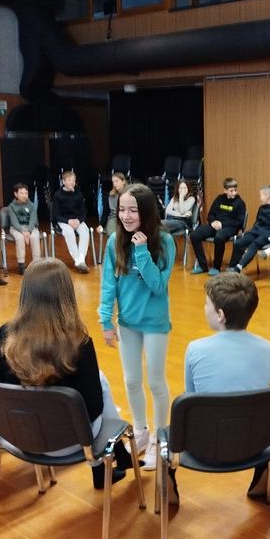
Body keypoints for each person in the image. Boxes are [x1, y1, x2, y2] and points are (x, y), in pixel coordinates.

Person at [0, 259, 133, 489]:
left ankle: (116, 456)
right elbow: (93, 408)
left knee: (93, 383)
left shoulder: (3, 337)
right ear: (66, 295)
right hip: (71, 442)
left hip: (18, 436)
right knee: (100, 381)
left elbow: (1, 389)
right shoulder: (79, 344)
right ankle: (109, 459)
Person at [98, 183, 176, 471]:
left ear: (146, 212)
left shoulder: (165, 242)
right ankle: (141, 430)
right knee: (131, 380)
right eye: (122, 210)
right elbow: (108, 284)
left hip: (155, 323)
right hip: (127, 322)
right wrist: (106, 321)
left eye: (133, 210)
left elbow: (158, 285)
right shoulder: (114, 241)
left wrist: (141, 251)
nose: (126, 216)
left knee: (155, 381)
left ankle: (159, 437)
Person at [183, 271, 270, 500]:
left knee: (168, 433)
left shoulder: (195, 349)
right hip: (256, 444)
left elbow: (190, 401)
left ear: (221, 315)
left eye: (207, 304)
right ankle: (263, 478)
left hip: (205, 447)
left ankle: (169, 488)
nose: (204, 308)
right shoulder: (268, 349)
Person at [190, 177, 247, 275]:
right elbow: (210, 214)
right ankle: (203, 266)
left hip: (230, 227)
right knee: (194, 235)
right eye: (231, 191)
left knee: (219, 237)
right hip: (215, 225)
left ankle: (216, 267)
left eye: (235, 190)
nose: (234, 193)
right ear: (225, 190)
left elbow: (239, 222)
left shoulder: (240, 203)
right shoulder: (219, 199)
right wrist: (213, 222)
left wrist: (222, 224)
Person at [228, 185, 270, 273]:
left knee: (255, 244)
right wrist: (248, 233)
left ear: (267, 196)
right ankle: (233, 267)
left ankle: (239, 267)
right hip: (257, 232)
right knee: (239, 242)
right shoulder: (261, 208)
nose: (260, 198)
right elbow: (257, 223)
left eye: (261, 196)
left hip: (269, 234)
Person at [51, 170, 91, 273]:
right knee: (69, 233)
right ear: (63, 181)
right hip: (64, 220)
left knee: (85, 231)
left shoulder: (78, 194)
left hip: (77, 219)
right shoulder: (58, 195)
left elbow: (83, 211)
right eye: (69, 180)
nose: (72, 182)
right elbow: (56, 214)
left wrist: (79, 220)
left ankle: (81, 258)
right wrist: (68, 221)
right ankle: (77, 260)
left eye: (73, 180)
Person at [6, 183, 41, 275]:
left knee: (34, 237)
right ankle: (21, 265)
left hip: (30, 227)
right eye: (21, 193)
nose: (24, 195)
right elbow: (14, 221)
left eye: (26, 193)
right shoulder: (11, 206)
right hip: (16, 228)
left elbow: (33, 219)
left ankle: (37, 264)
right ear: (16, 194)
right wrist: (22, 231)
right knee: (20, 238)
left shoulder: (32, 205)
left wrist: (29, 231)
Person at [97, 171, 128, 240]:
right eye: (113, 182)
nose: (114, 184)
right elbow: (106, 211)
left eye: (116, 181)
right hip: (114, 217)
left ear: (123, 181)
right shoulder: (111, 195)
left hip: (126, 216)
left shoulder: (130, 193)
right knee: (112, 235)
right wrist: (101, 224)